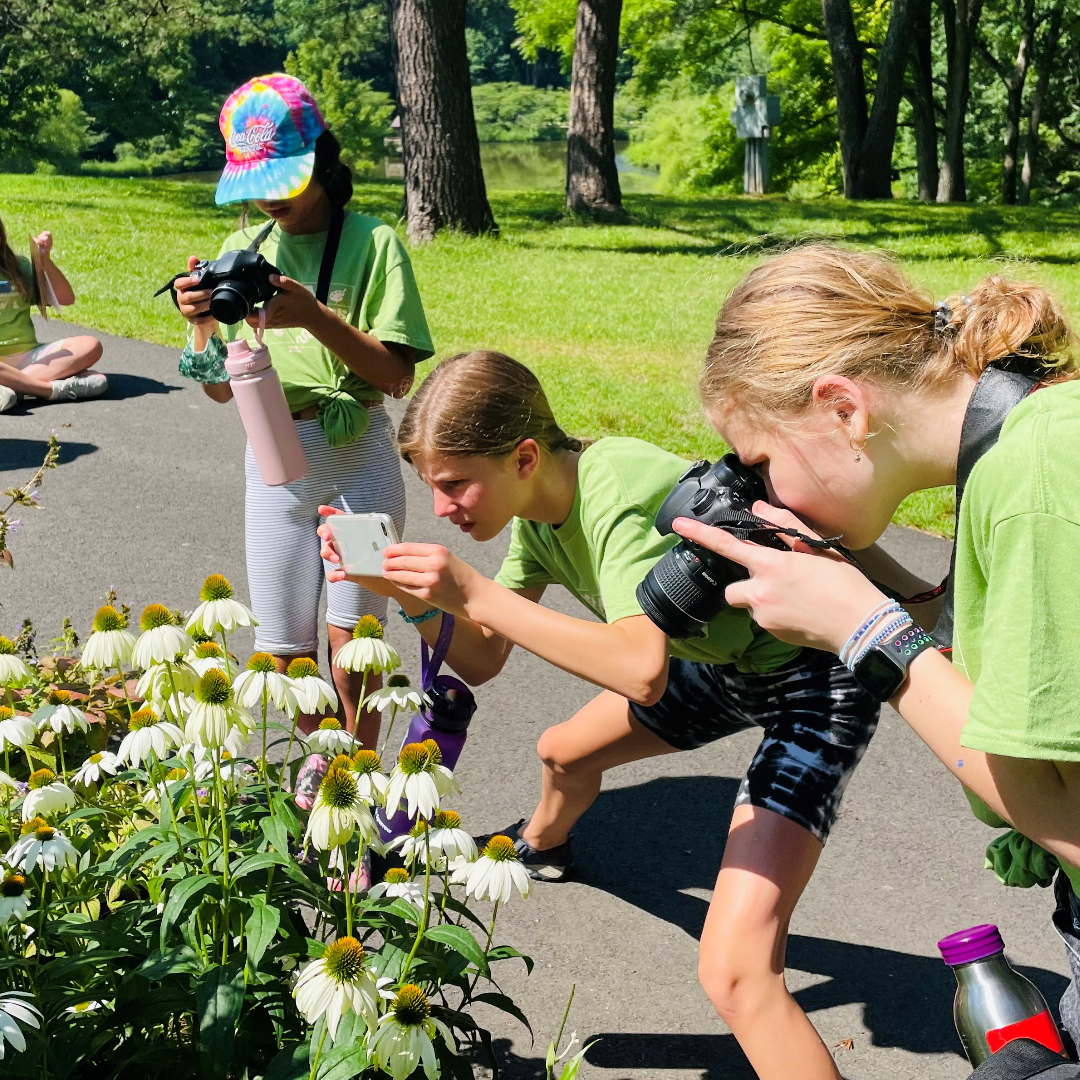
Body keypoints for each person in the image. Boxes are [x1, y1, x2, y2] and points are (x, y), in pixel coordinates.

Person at [320, 349, 882, 1080]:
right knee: (563, 753)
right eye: (432, 487)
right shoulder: (538, 515)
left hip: (814, 683)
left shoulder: (613, 488)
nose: (442, 510)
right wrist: (407, 592)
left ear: (524, 456)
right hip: (723, 665)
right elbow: (485, 658)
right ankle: (544, 848)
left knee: (739, 973)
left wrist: (472, 591)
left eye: (455, 485)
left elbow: (640, 672)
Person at [669, 243, 1080, 1051]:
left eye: (760, 463)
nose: (765, 497)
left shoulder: (1038, 479)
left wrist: (867, 634)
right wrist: (855, 575)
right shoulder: (1022, 447)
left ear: (843, 408)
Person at [172, 74, 433, 756]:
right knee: (284, 647)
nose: (271, 195)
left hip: (362, 464)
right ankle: (325, 779)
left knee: (357, 641)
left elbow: (398, 376)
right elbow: (221, 391)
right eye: (258, 180)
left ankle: (366, 776)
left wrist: (315, 317)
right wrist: (200, 327)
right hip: (276, 464)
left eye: (284, 176)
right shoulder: (249, 253)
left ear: (321, 158)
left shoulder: (373, 243)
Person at [0, 217, 106, 412]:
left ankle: (14, 386)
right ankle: (50, 389)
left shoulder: (16, 268)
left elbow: (65, 298)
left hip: (30, 356)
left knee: (90, 345)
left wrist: (44, 261)